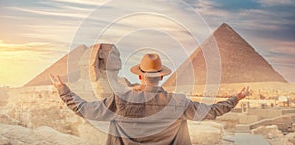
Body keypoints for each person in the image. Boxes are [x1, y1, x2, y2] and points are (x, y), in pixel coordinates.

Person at [50, 53, 249, 145]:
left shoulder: (121, 100)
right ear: (161, 76)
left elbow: (84, 109)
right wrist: (236, 98)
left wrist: (63, 89)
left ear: (139, 75)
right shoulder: (178, 102)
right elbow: (213, 111)